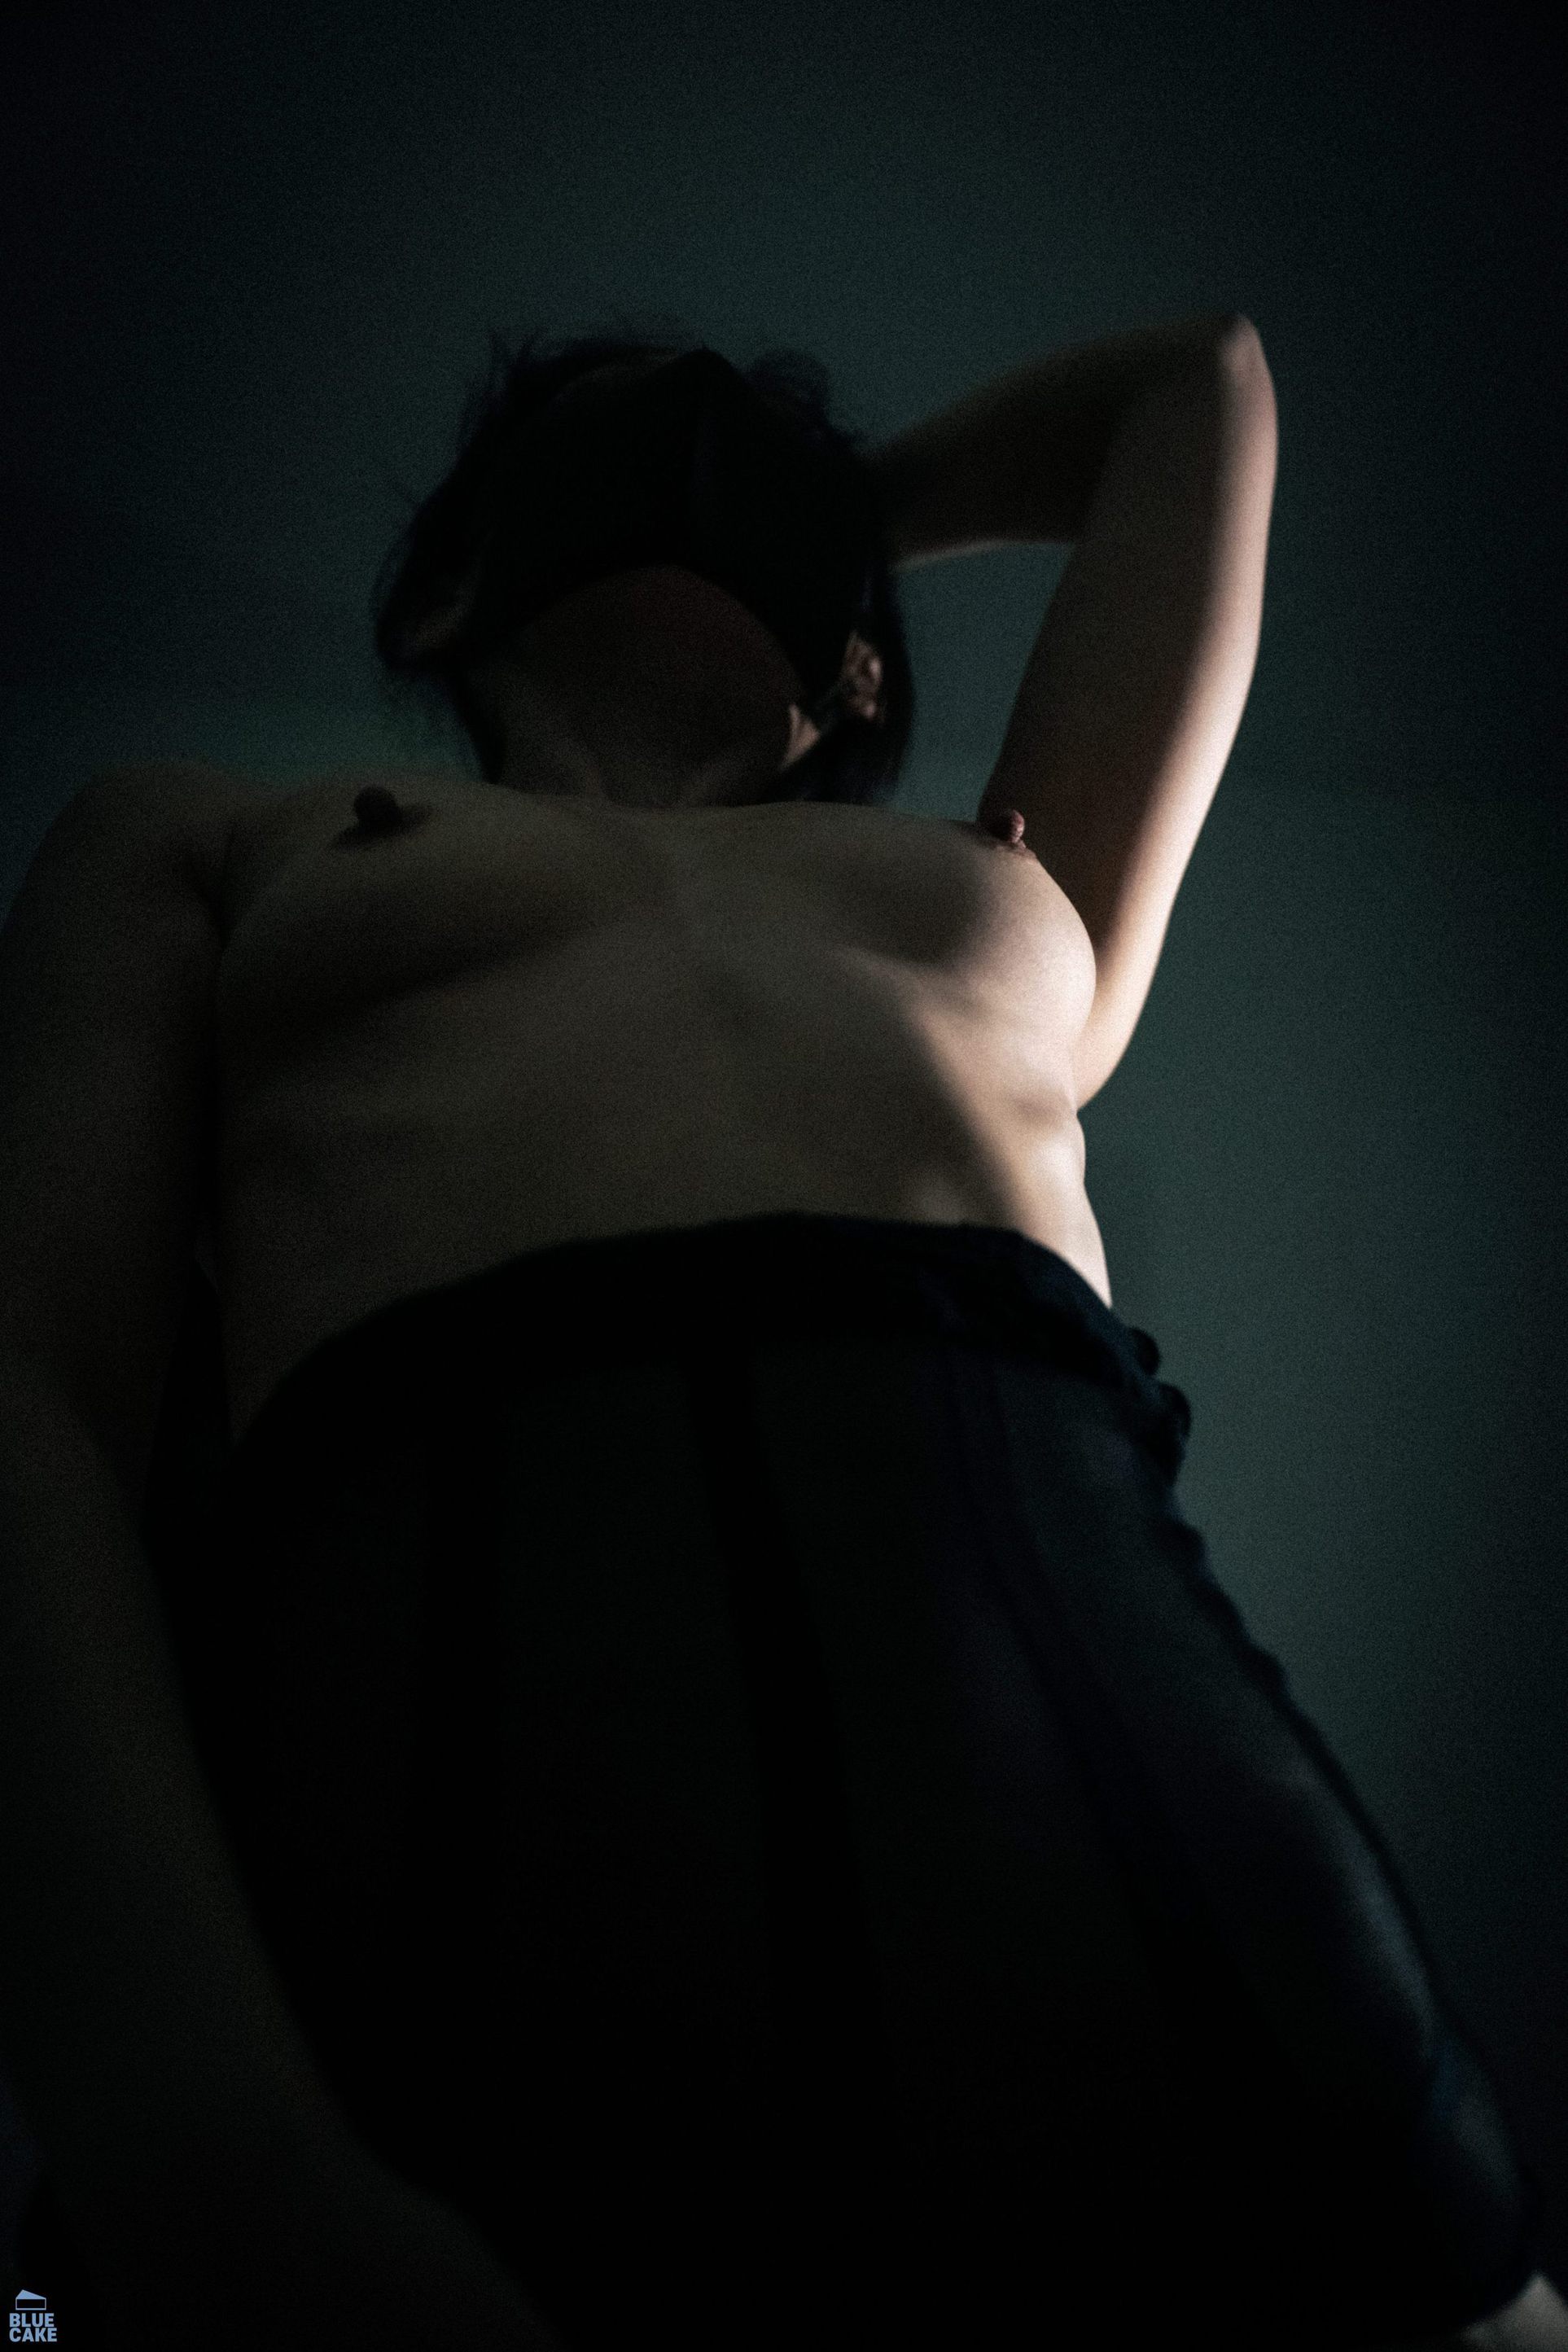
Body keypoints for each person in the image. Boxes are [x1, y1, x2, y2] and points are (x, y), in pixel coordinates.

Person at [0, 316, 1561, 2351]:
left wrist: (816, 519)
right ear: (448, 592)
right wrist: (202, 2133)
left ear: (858, 674)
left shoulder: (996, 881)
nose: (689, 462)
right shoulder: (206, 837)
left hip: (1179, 1864)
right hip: (468, 1922)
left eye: (724, 457)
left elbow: (1200, 387)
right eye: (618, 445)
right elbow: (33, 1394)